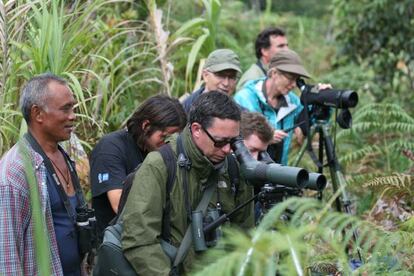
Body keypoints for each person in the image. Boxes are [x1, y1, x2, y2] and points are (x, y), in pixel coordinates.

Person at [121, 91, 254, 275]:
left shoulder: (233, 168)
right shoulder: (160, 165)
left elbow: (245, 235)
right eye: (220, 141)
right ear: (196, 129)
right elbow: (139, 240)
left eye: (233, 141)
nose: (226, 149)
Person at [0, 73, 85, 275]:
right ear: (38, 114)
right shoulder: (15, 172)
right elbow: (6, 257)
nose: (73, 116)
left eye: (73, 107)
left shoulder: (65, 155)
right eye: (65, 109)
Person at [90, 95, 187, 237]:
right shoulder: (111, 148)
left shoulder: (170, 151)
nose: (170, 143)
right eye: (165, 137)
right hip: (117, 243)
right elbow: (119, 206)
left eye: (175, 138)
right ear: (146, 126)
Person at [234, 49, 331, 165]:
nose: (294, 85)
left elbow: (311, 120)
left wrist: (321, 97)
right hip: (248, 168)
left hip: (278, 171)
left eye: (297, 80)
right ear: (274, 73)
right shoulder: (245, 98)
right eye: (290, 78)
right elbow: (235, 137)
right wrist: (266, 137)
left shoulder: (293, 102)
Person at [182, 49, 242, 113]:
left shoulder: (242, 114)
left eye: (231, 77)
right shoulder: (186, 109)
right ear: (205, 75)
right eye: (221, 75)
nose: (226, 83)